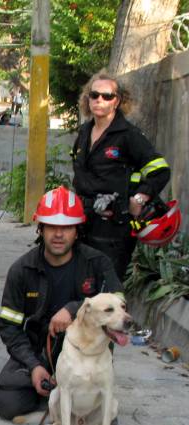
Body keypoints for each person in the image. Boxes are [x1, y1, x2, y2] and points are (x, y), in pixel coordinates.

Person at [0, 187, 123, 421]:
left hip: (86, 356)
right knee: (6, 405)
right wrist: (33, 366)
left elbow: (119, 302)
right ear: (40, 229)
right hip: (41, 353)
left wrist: (74, 309)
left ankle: (73, 398)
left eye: (67, 227)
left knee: (105, 418)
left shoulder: (97, 264)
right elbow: (8, 328)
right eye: (52, 226)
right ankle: (53, 392)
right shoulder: (22, 270)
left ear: (77, 231)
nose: (59, 234)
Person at [72, 71, 171, 281]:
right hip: (82, 222)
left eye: (107, 96)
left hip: (113, 229)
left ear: (117, 101)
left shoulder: (128, 135)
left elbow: (160, 170)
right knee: (80, 285)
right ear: (87, 98)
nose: (99, 100)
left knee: (107, 288)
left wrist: (140, 197)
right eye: (94, 95)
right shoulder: (83, 132)